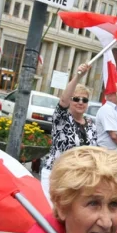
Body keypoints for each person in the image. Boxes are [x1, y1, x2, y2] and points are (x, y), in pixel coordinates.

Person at [41, 63, 97, 203]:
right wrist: (78, 76)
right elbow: (63, 101)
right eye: (76, 99)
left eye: (84, 100)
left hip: (78, 180)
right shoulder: (63, 119)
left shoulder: (91, 125)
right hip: (56, 176)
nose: (80, 102)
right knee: (51, 214)